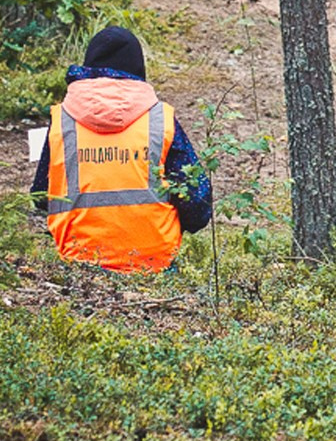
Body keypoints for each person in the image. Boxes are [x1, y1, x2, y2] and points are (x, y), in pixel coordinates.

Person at [30, 26, 213, 273]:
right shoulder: (160, 119)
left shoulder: (62, 119)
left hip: (78, 260)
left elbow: (41, 195)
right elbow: (197, 201)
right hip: (154, 262)